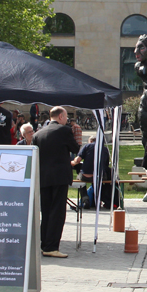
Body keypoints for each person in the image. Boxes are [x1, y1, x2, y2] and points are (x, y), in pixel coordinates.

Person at [33, 106, 80, 258]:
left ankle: (44, 243)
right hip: (59, 177)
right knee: (57, 212)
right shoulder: (64, 130)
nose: (67, 120)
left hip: (43, 177)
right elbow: (75, 147)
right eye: (66, 117)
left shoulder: (38, 133)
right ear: (60, 117)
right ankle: (52, 246)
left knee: (46, 212)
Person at [72, 135, 110, 211]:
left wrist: (72, 161)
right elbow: (106, 164)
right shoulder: (105, 149)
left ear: (91, 141)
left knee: (80, 180)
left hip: (86, 175)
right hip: (99, 176)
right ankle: (97, 200)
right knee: (98, 181)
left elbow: (78, 160)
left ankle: (85, 198)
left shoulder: (87, 146)